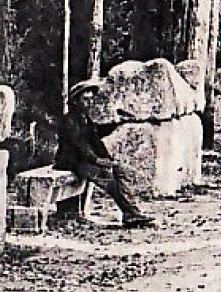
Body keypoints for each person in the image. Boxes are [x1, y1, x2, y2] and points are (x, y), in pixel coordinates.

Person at [53, 81, 155, 229]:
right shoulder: (70, 121)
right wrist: (97, 160)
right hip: (71, 162)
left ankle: (131, 212)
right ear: (75, 101)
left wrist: (107, 157)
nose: (89, 103)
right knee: (109, 181)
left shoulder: (85, 118)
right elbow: (79, 145)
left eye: (90, 99)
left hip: (83, 161)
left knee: (120, 172)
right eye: (85, 99)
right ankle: (131, 214)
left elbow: (95, 139)